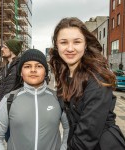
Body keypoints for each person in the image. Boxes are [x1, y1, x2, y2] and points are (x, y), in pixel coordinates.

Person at [49, 17, 125, 150]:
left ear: (85, 45)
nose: (70, 48)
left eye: (77, 42)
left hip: (103, 145)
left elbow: (88, 132)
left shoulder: (97, 78)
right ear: (57, 45)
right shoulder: (65, 75)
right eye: (64, 42)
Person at [0, 49, 69, 150]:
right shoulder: (9, 100)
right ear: (21, 72)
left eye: (39, 66)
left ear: (45, 72)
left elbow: (69, 129)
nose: (33, 70)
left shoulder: (58, 99)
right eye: (27, 66)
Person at [0, 38, 23, 107]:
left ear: (12, 50)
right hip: (3, 106)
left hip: (12, 107)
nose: (2, 49)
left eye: (5, 47)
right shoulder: (7, 66)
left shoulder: (19, 66)